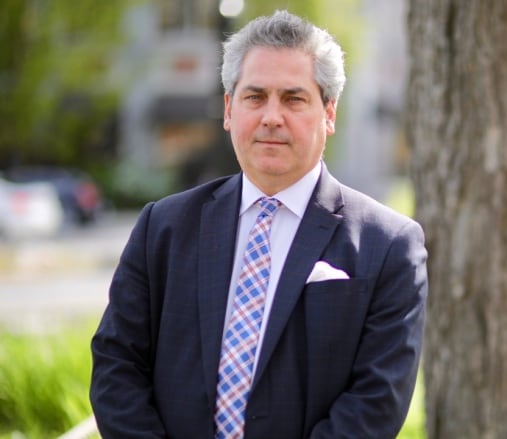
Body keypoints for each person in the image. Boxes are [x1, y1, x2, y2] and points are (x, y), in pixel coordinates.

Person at [90, 10, 428, 439]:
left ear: (329, 113)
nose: (271, 116)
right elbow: (117, 364)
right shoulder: (163, 227)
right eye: (255, 97)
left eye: (293, 98)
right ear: (230, 109)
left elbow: (376, 403)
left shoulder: (389, 245)